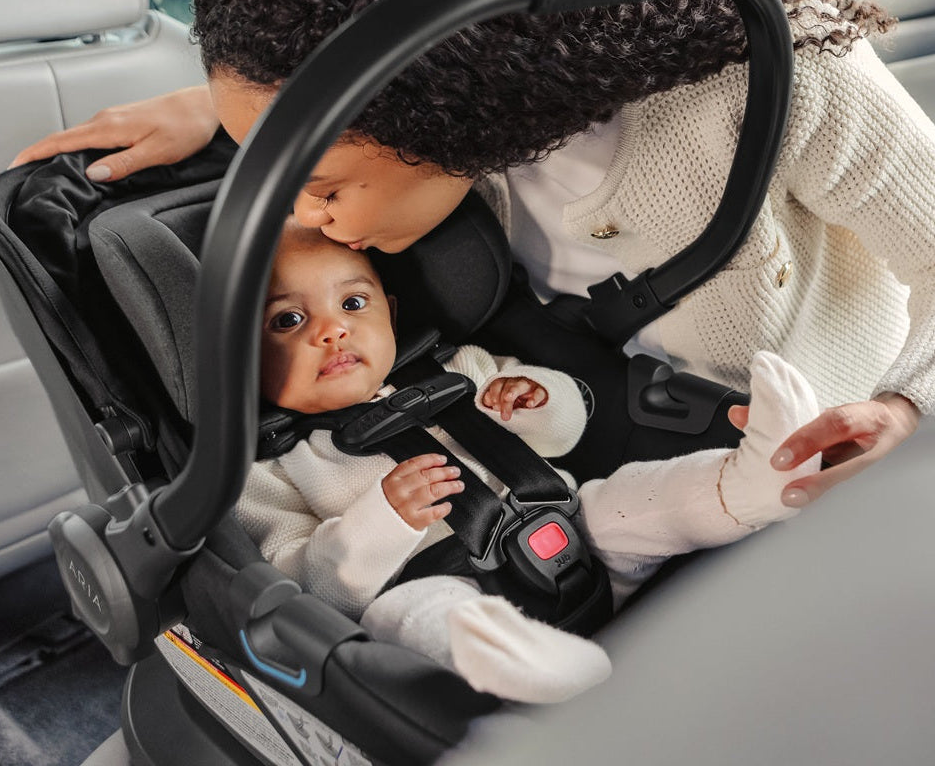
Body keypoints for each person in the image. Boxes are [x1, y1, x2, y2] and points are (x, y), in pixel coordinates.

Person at [11, 0, 932, 509]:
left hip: (825, 470)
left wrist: (905, 412)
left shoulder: (775, 78)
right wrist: (223, 114)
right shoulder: (448, 129)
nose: (314, 220)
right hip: (613, 460)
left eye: (323, 184)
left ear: (436, 103)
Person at [235, 217, 820, 703]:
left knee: (630, 497)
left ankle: (749, 485)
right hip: (439, 584)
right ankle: (521, 662)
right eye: (289, 320)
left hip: (576, 538)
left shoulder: (460, 368)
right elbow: (303, 582)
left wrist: (535, 400)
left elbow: (566, 430)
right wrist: (383, 519)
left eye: (353, 302)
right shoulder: (275, 470)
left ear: (388, 311)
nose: (333, 329)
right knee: (409, 615)